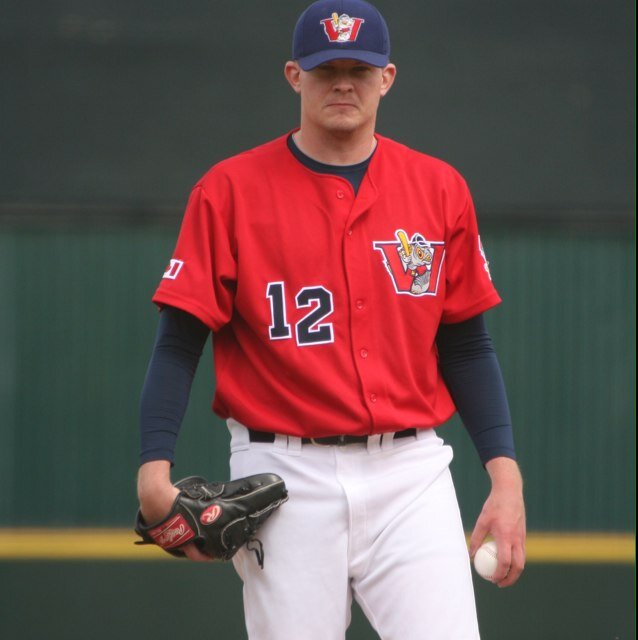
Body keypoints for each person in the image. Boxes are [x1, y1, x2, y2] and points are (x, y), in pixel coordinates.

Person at [136, 0, 526, 638]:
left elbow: (466, 347)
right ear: (294, 76)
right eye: (325, 69)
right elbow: (180, 341)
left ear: (387, 78)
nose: (343, 82)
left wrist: (504, 480)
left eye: (359, 68)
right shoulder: (228, 190)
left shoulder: (439, 188)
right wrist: (154, 471)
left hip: (411, 472)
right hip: (283, 477)